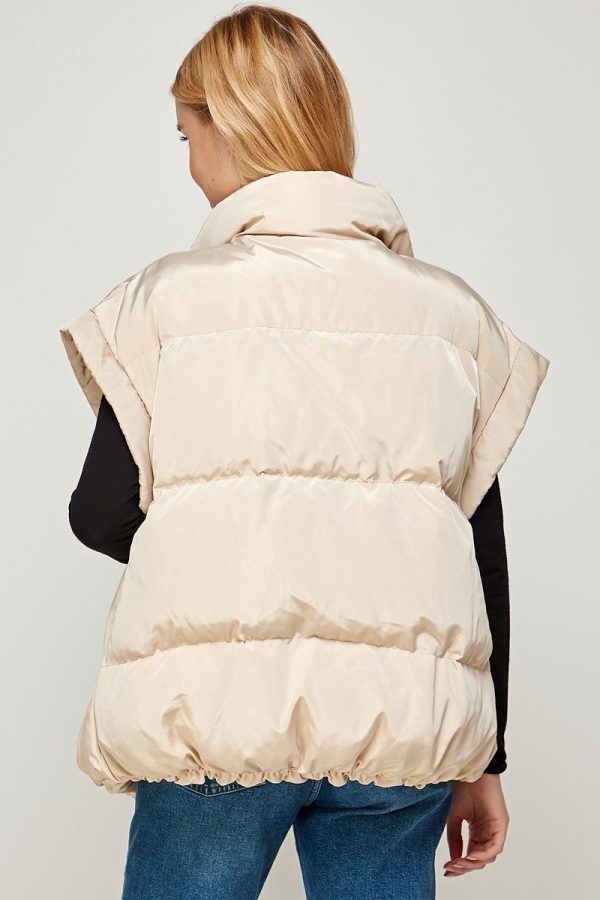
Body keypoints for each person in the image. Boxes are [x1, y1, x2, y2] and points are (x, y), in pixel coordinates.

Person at [59, 6, 550, 899]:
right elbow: (479, 550)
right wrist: (487, 756)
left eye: (188, 136)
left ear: (228, 127)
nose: (192, 165)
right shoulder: (451, 316)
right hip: (397, 730)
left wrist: (241, 553)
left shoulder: (164, 304)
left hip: (221, 719)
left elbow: (99, 512)